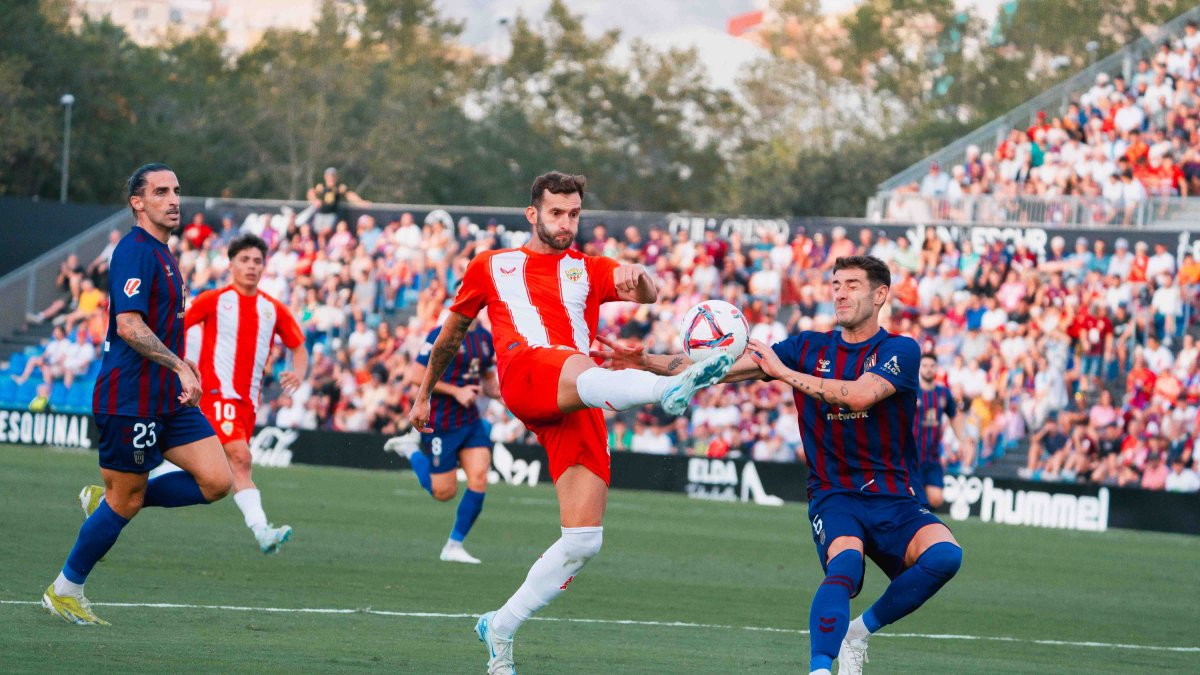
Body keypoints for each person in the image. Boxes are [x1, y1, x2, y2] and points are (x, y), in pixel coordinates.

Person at [407, 172, 733, 675]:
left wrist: (636, 273)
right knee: (580, 365)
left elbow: (646, 290)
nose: (566, 222)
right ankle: (665, 391)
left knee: (584, 540)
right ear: (533, 214)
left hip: (578, 399)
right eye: (556, 212)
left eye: (574, 213)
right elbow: (451, 334)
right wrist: (425, 392)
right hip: (528, 372)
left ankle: (499, 628)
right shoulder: (492, 265)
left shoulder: (588, 267)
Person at [596, 255, 961, 675]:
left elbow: (859, 395)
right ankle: (821, 669)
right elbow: (719, 370)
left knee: (945, 557)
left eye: (852, 285)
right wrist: (646, 362)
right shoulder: (809, 346)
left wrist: (785, 374)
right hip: (835, 494)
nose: (840, 292)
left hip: (895, 496)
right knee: (846, 566)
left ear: (880, 295)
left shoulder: (901, 350)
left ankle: (857, 633)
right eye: (836, 283)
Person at [41, 164, 233, 626]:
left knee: (217, 481)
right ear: (137, 202)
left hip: (168, 398)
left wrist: (181, 371)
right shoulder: (133, 251)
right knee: (124, 501)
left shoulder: (165, 254)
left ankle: (103, 501)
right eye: (161, 192)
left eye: (177, 191)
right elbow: (128, 325)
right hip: (130, 399)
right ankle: (65, 589)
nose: (173, 199)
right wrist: (180, 366)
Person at [184, 234, 308, 554]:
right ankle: (262, 532)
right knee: (241, 458)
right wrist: (183, 366)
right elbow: (178, 328)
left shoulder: (272, 308)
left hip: (247, 405)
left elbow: (298, 346)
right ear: (231, 264)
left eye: (257, 261)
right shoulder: (213, 300)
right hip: (215, 396)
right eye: (245, 260)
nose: (251, 266)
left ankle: (116, 499)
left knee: (221, 475)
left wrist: (299, 372)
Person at [384, 313, 498, 564]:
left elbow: (490, 385)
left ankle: (454, 545)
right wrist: (457, 391)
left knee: (479, 478)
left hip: (470, 421)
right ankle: (410, 450)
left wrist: (516, 399)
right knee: (443, 492)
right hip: (441, 422)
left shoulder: (485, 338)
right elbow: (416, 377)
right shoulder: (440, 334)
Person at [915, 353, 975, 508]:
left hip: (933, 455)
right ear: (919, 368)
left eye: (932, 366)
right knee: (915, 498)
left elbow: (954, 417)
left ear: (936, 369)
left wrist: (962, 441)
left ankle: (922, 524)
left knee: (936, 499)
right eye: (925, 366)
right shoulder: (912, 391)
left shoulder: (943, 393)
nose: (928, 369)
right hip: (912, 456)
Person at [306, 167, 366, 233]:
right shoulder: (321, 187)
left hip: (332, 215)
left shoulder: (339, 187)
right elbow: (311, 192)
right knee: (316, 231)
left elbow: (349, 194)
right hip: (321, 214)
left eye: (333, 176)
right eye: (329, 176)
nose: (331, 178)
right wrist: (315, 200)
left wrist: (361, 202)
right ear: (325, 177)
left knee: (326, 232)